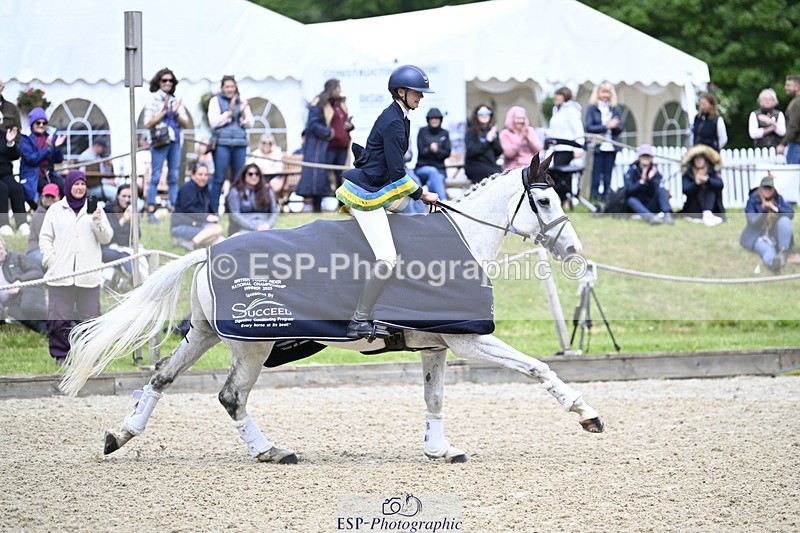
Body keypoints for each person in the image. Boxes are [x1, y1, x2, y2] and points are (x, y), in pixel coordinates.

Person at [334, 64, 439, 340]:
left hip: (377, 187)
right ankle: (358, 320)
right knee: (387, 258)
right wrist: (422, 194)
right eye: (417, 92)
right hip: (365, 194)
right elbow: (397, 172)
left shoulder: (400, 117)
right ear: (401, 92)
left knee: (410, 215)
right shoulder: (394, 121)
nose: (421, 97)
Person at [39, 170, 113, 367]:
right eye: (76, 184)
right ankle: (61, 356)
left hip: (88, 275)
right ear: (68, 185)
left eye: (82, 184)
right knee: (58, 319)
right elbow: (45, 238)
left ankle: (91, 356)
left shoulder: (96, 209)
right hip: (60, 275)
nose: (80, 188)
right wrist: (51, 260)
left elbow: (106, 238)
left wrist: (98, 221)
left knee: (90, 319)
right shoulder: (55, 210)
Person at [299, 79, 354, 212]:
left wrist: (350, 126)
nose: (340, 90)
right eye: (338, 87)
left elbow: (342, 121)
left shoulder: (340, 103)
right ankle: (317, 208)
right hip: (326, 148)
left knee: (341, 177)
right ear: (332, 88)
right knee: (320, 176)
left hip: (342, 148)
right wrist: (329, 132)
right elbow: (312, 124)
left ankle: (342, 206)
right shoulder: (319, 103)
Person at [143, 68, 189, 224]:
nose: (168, 83)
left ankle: (174, 209)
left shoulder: (176, 100)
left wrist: (175, 112)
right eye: (164, 80)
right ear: (159, 82)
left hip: (175, 141)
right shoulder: (153, 99)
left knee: (174, 176)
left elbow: (186, 124)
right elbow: (148, 123)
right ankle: (151, 210)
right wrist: (163, 112)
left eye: (170, 80)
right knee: (156, 175)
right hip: (159, 141)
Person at [207, 75, 254, 213]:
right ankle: (214, 211)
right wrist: (229, 113)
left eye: (232, 86)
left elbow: (251, 123)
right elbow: (213, 122)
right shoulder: (215, 101)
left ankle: (235, 210)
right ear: (222, 88)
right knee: (219, 178)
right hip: (222, 143)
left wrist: (243, 112)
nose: (230, 89)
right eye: (227, 86)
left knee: (238, 179)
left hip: (240, 143)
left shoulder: (242, 101)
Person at [740, 175, 795, 273]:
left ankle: (783, 252)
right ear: (760, 188)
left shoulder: (778, 199)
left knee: (785, 220)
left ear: (774, 189)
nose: (767, 190)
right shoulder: (752, 200)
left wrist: (776, 209)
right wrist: (764, 211)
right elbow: (753, 222)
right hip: (757, 236)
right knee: (768, 250)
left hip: (773, 235)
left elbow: (791, 213)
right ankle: (773, 263)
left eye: (770, 188)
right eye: (765, 187)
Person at [170, 162, 224, 251]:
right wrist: (206, 217)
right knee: (217, 229)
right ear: (193, 175)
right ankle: (192, 243)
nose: (203, 177)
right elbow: (188, 210)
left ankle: (182, 242)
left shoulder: (205, 190)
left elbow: (210, 209)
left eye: (206, 175)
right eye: (200, 174)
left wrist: (214, 216)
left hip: (197, 225)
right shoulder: (187, 188)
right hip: (182, 226)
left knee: (220, 240)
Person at [19, 107, 65, 209]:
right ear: (32, 124)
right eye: (38, 123)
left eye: (44, 123)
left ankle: (62, 213)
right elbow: (31, 159)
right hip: (31, 175)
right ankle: (44, 214)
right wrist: (47, 148)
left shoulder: (50, 136)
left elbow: (59, 160)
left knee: (65, 187)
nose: (41, 125)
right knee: (49, 189)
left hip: (49, 173)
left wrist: (57, 148)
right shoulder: (25, 137)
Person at [546, 87, 584, 207]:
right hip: (556, 148)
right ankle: (561, 199)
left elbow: (578, 130)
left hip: (567, 148)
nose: (556, 98)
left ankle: (566, 199)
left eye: (559, 95)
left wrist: (578, 148)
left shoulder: (571, 110)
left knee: (562, 175)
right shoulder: (556, 110)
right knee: (555, 174)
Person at [585, 82, 623, 203]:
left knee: (608, 176)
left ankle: (606, 200)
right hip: (597, 147)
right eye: (603, 92)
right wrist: (607, 126)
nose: (606, 95)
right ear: (598, 93)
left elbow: (620, 128)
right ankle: (594, 199)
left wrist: (615, 126)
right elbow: (589, 127)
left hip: (611, 147)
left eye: (608, 92)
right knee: (596, 176)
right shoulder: (592, 108)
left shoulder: (615, 109)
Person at [0, 236, 47, 334]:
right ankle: (58, 334)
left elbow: (37, 272)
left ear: (4, 247)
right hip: (11, 303)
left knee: (28, 307)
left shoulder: (17, 257)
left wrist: (19, 282)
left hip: (28, 291)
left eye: (0, 249)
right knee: (29, 320)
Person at [624, 144, 673, 225]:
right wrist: (641, 182)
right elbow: (629, 191)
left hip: (651, 203)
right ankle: (651, 218)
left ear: (651, 158)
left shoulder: (655, 171)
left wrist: (650, 180)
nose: (645, 158)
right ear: (639, 157)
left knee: (661, 189)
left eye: (647, 156)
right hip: (637, 205)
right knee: (631, 200)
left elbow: (657, 190)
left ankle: (667, 215)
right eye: (643, 156)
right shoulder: (632, 170)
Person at [225, 163, 279, 236]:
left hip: (264, 228)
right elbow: (234, 215)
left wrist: (268, 225)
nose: (254, 176)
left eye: (257, 174)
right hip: (242, 229)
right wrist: (253, 227)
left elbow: (274, 211)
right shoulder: (235, 191)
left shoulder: (267, 191)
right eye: (250, 174)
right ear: (244, 175)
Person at [680, 144, 725, 226]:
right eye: (696, 158)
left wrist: (708, 181)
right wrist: (696, 183)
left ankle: (708, 213)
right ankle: (706, 215)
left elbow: (720, 185)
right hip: (695, 208)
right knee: (701, 186)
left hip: (713, 208)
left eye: (701, 158)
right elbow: (685, 190)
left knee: (710, 187)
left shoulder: (712, 171)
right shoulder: (688, 173)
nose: (698, 160)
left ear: (705, 159)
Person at [102, 184, 140, 280]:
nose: (126, 199)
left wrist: (134, 222)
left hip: (126, 246)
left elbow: (138, 235)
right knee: (125, 256)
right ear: (118, 196)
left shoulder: (132, 210)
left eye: (129, 197)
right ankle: (135, 279)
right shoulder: (108, 210)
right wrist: (123, 220)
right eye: (124, 196)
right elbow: (109, 236)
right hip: (108, 248)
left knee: (148, 255)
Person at [415, 108, 450, 199]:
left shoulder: (445, 133)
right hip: (422, 168)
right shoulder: (422, 131)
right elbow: (421, 152)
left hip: (440, 170)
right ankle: (444, 201)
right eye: (432, 118)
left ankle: (434, 205)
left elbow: (447, 153)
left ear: (440, 120)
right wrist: (430, 149)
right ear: (428, 120)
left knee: (432, 182)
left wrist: (437, 151)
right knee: (432, 171)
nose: (434, 120)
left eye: (436, 118)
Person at [464, 103, 502, 184]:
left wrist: (493, 140)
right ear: (476, 116)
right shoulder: (470, 132)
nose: (485, 115)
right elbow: (471, 152)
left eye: (487, 113)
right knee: (495, 176)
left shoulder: (493, 132)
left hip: (491, 165)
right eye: (481, 113)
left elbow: (499, 152)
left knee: (503, 176)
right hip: (475, 166)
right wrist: (487, 140)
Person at [0, 126, 28, 235]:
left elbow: (15, 156)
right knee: (2, 189)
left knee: (16, 188)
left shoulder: (3, 135)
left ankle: (22, 223)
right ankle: (3, 224)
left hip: (5, 173)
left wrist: (10, 143)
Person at [27, 183, 60, 270]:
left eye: (52, 196)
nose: (49, 199)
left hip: (50, 250)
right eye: (47, 196)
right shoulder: (40, 214)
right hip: (36, 250)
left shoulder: (59, 213)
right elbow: (44, 239)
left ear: (58, 198)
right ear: (42, 197)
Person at [500, 106, 542, 170]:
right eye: (518, 118)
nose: (521, 121)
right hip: (513, 168)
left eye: (523, 118)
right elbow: (509, 154)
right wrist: (521, 139)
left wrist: (528, 139)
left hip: (531, 165)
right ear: (511, 119)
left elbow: (538, 150)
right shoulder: (505, 133)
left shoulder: (529, 130)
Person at [777, 75, 800, 164]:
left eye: (788, 85)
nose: (786, 88)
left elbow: (793, 127)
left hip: (797, 146)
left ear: (797, 87)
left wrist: (783, 143)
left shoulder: (796, 103)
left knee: (793, 172)